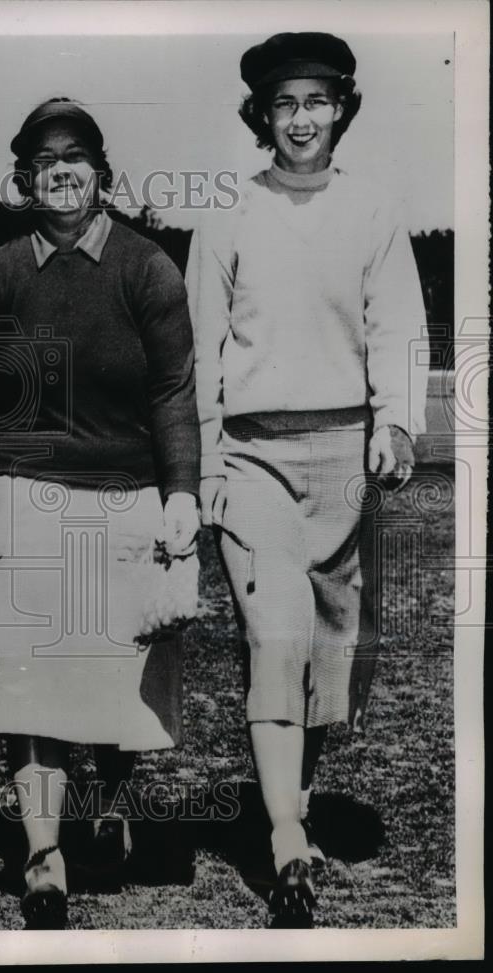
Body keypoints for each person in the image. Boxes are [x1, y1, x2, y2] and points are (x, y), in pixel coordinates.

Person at [186, 33, 428, 927]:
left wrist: (395, 422)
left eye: (316, 102)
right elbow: (200, 345)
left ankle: (292, 804)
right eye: (283, 104)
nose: (300, 120)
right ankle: (287, 836)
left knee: (329, 644)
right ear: (261, 115)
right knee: (277, 631)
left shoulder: (371, 211)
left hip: (344, 456)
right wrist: (208, 456)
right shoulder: (227, 215)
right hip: (251, 454)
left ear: (341, 109)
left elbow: (398, 323)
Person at [0, 98, 201, 929]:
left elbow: (172, 390)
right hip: (28, 499)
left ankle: (110, 800)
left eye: (78, 156)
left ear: (103, 170)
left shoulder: (146, 266)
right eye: (45, 159)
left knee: (113, 684)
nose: (62, 170)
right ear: (24, 177)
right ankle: (43, 856)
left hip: (128, 499)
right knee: (28, 678)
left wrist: (180, 492)